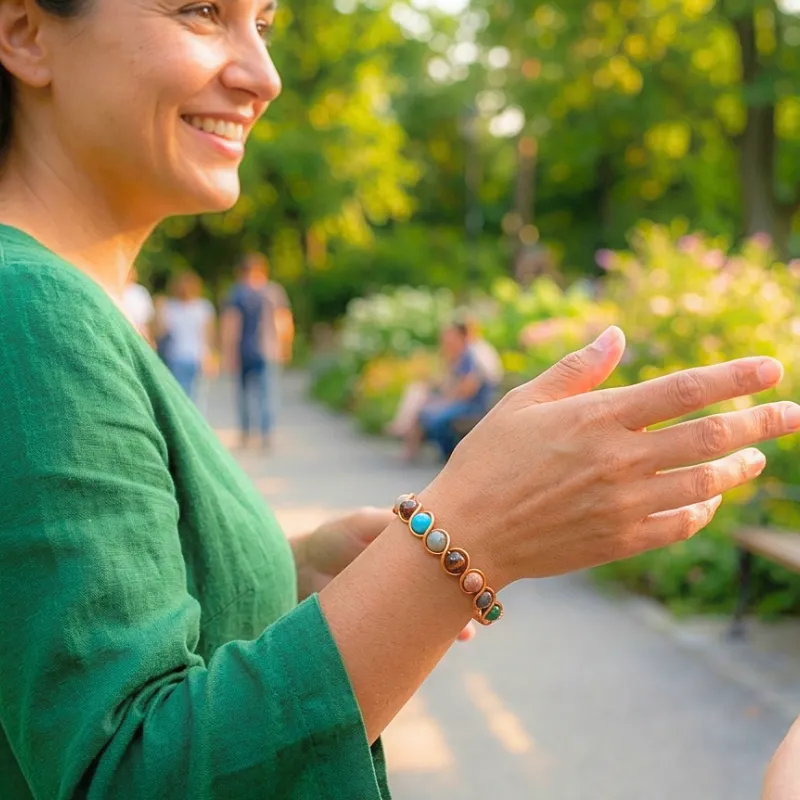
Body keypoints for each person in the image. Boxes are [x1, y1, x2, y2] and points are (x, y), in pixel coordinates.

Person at [0, 2, 798, 798]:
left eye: (264, 24)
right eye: (202, 12)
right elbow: (131, 774)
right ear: (25, 32)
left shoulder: (64, 305)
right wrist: (464, 538)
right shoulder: (33, 310)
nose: (263, 76)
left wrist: (293, 574)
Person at [221, 252, 294, 448]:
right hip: (268, 349)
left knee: (244, 394)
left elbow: (231, 325)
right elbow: (284, 321)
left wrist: (229, 354)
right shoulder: (273, 291)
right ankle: (266, 433)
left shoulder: (236, 293)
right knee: (267, 393)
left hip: (244, 350)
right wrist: (285, 347)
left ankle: (246, 433)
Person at [416, 322, 498, 461]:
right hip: (464, 401)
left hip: (475, 404)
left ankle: (451, 456)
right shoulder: (464, 353)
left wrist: (449, 398)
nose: (446, 339)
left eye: (450, 335)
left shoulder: (474, 354)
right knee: (427, 414)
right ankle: (448, 455)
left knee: (438, 421)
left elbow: (469, 388)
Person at [158, 270, 216, 400]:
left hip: (193, 356)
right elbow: (162, 332)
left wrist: (209, 357)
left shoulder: (202, 307)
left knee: (192, 397)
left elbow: (207, 335)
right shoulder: (170, 306)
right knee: (184, 396)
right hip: (177, 356)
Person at [121, 265, 156, 345]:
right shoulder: (114, 290)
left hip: (139, 333)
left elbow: (147, 319)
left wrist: (149, 338)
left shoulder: (140, 291)